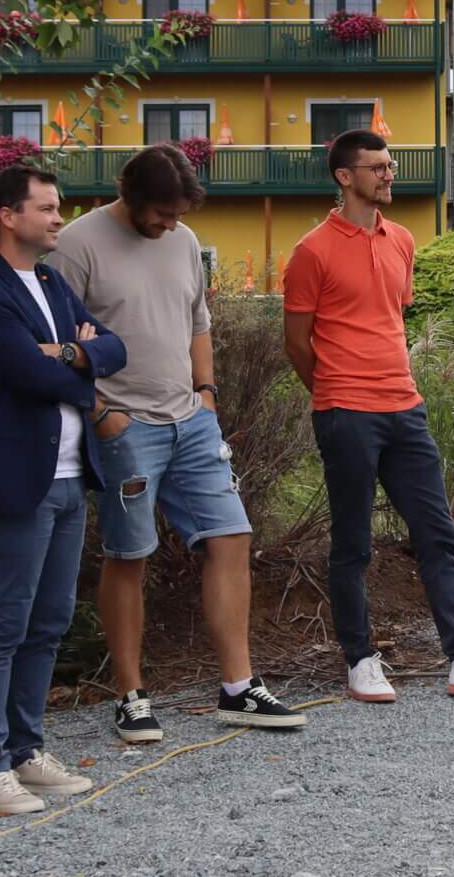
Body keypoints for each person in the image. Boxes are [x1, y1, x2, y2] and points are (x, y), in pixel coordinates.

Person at [53, 146, 302, 741]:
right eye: (162, 213)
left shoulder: (184, 240)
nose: (170, 224)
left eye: (178, 214)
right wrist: (101, 413)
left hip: (191, 421)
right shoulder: (77, 245)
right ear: (132, 196)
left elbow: (197, 324)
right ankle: (131, 696)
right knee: (129, 554)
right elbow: (56, 347)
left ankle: (238, 688)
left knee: (231, 536)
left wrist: (207, 394)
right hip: (124, 425)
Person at [282, 130, 454, 702]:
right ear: (345, 176)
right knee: (354, 542)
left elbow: (388, 320)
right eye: (376, 167)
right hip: (347, 412)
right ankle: (360, 660)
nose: (388, 174)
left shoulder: (400, 239)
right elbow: (297, 342)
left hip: (405, 408)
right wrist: (335, 395)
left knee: (436, 532)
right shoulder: (312, 251)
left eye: (390, 165)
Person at [0, 164, 132, 814]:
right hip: (13, 480)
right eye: (48, 208)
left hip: (69, 476)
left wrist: (70, 353)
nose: (60, 218)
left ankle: (26, 750)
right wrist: (71, 361)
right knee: (4, 622)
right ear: (9, 216)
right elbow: (29, 374)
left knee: (49, 621)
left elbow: (115, 348)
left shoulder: (52, 282)